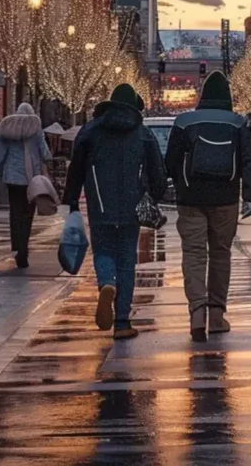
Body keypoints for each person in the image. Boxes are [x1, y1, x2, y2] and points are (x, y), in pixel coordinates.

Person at [64, 84, 167, 339]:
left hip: (99, 204)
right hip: (132, 206)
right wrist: (152, 196)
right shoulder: (143, 134)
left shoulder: (90, 132)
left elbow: (75, 168)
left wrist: (73, 200)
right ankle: (122, 323)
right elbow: (158, 175)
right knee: (127, 260)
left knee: (104, 250)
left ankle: (105, 283)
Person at [165, 70, 251, 342]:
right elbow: (250, 161)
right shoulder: (238, 123)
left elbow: (171, 161)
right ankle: (217, 316)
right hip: (226, 199)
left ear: (202, 96)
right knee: (221, 254)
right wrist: (250, 196)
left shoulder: (184, 122)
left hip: (191, 198)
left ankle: (197, 312)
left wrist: (177, 186)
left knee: (194, 254)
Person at [0, 104, 51, 267]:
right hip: (30, 177)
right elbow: (45, 152)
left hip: (12, 177)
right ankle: (24, 249)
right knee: (27, 214)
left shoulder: (9, 128)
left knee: (15, 212)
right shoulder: (35, 127)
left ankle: (17, 246)